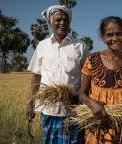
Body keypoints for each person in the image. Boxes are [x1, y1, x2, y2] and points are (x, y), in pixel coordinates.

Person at [78, 16, 122, 144]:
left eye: (119, 34)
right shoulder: (92, 61)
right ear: (103, 38)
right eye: (109, 35)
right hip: (98, 128)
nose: (114, 39)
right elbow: (81, 93)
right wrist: (91, 103)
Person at [26, 5, 88, 144]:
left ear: (69, 22)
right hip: (49, 109)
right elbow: (36, 77)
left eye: (65, 20)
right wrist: (30, 104)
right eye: (58, 20)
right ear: (50, 23)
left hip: (73, 111)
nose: (62, 23)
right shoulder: (42, 46)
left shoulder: (80, 47)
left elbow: (87, 78)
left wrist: (80, 97)